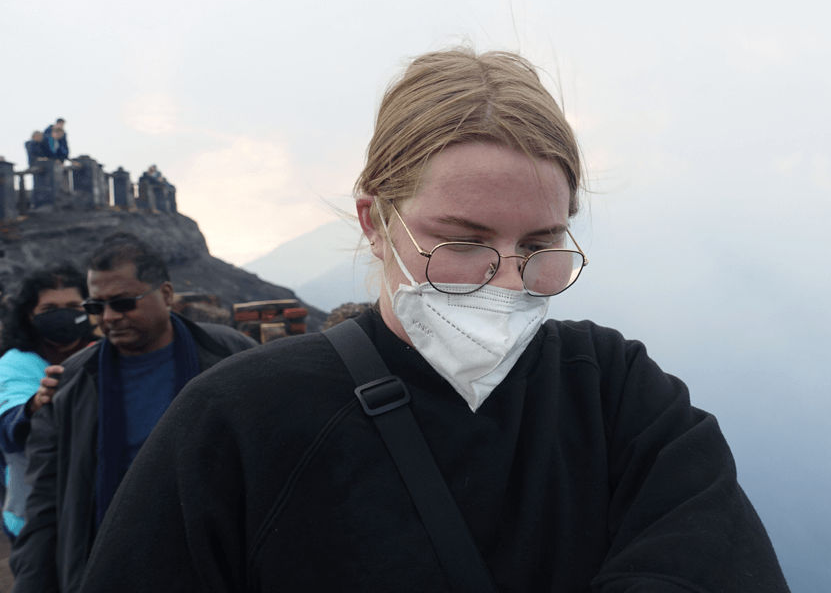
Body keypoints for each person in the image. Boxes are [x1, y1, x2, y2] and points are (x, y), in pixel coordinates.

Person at [81, 49, 790, 592]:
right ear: (376, 221)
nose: (508, 282)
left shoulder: (618, 397)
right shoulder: (238, 421)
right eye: (462, 241)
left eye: (540, 246)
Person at [10, 232, 258, 593]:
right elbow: (45, 505)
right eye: (96, 307)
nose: (109, 317)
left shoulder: (231, 358)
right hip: (105, 570)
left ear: (167, 295)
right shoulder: (70, 384)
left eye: (123, 303)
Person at [0, 264, 96, 541]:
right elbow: (9, 424)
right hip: (34, 518)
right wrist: (36, 406)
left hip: (97, 510)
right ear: (29, 315)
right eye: (49, 308)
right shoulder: (15, 364)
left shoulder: (104, 354)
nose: (63, 315)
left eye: (73, 306)